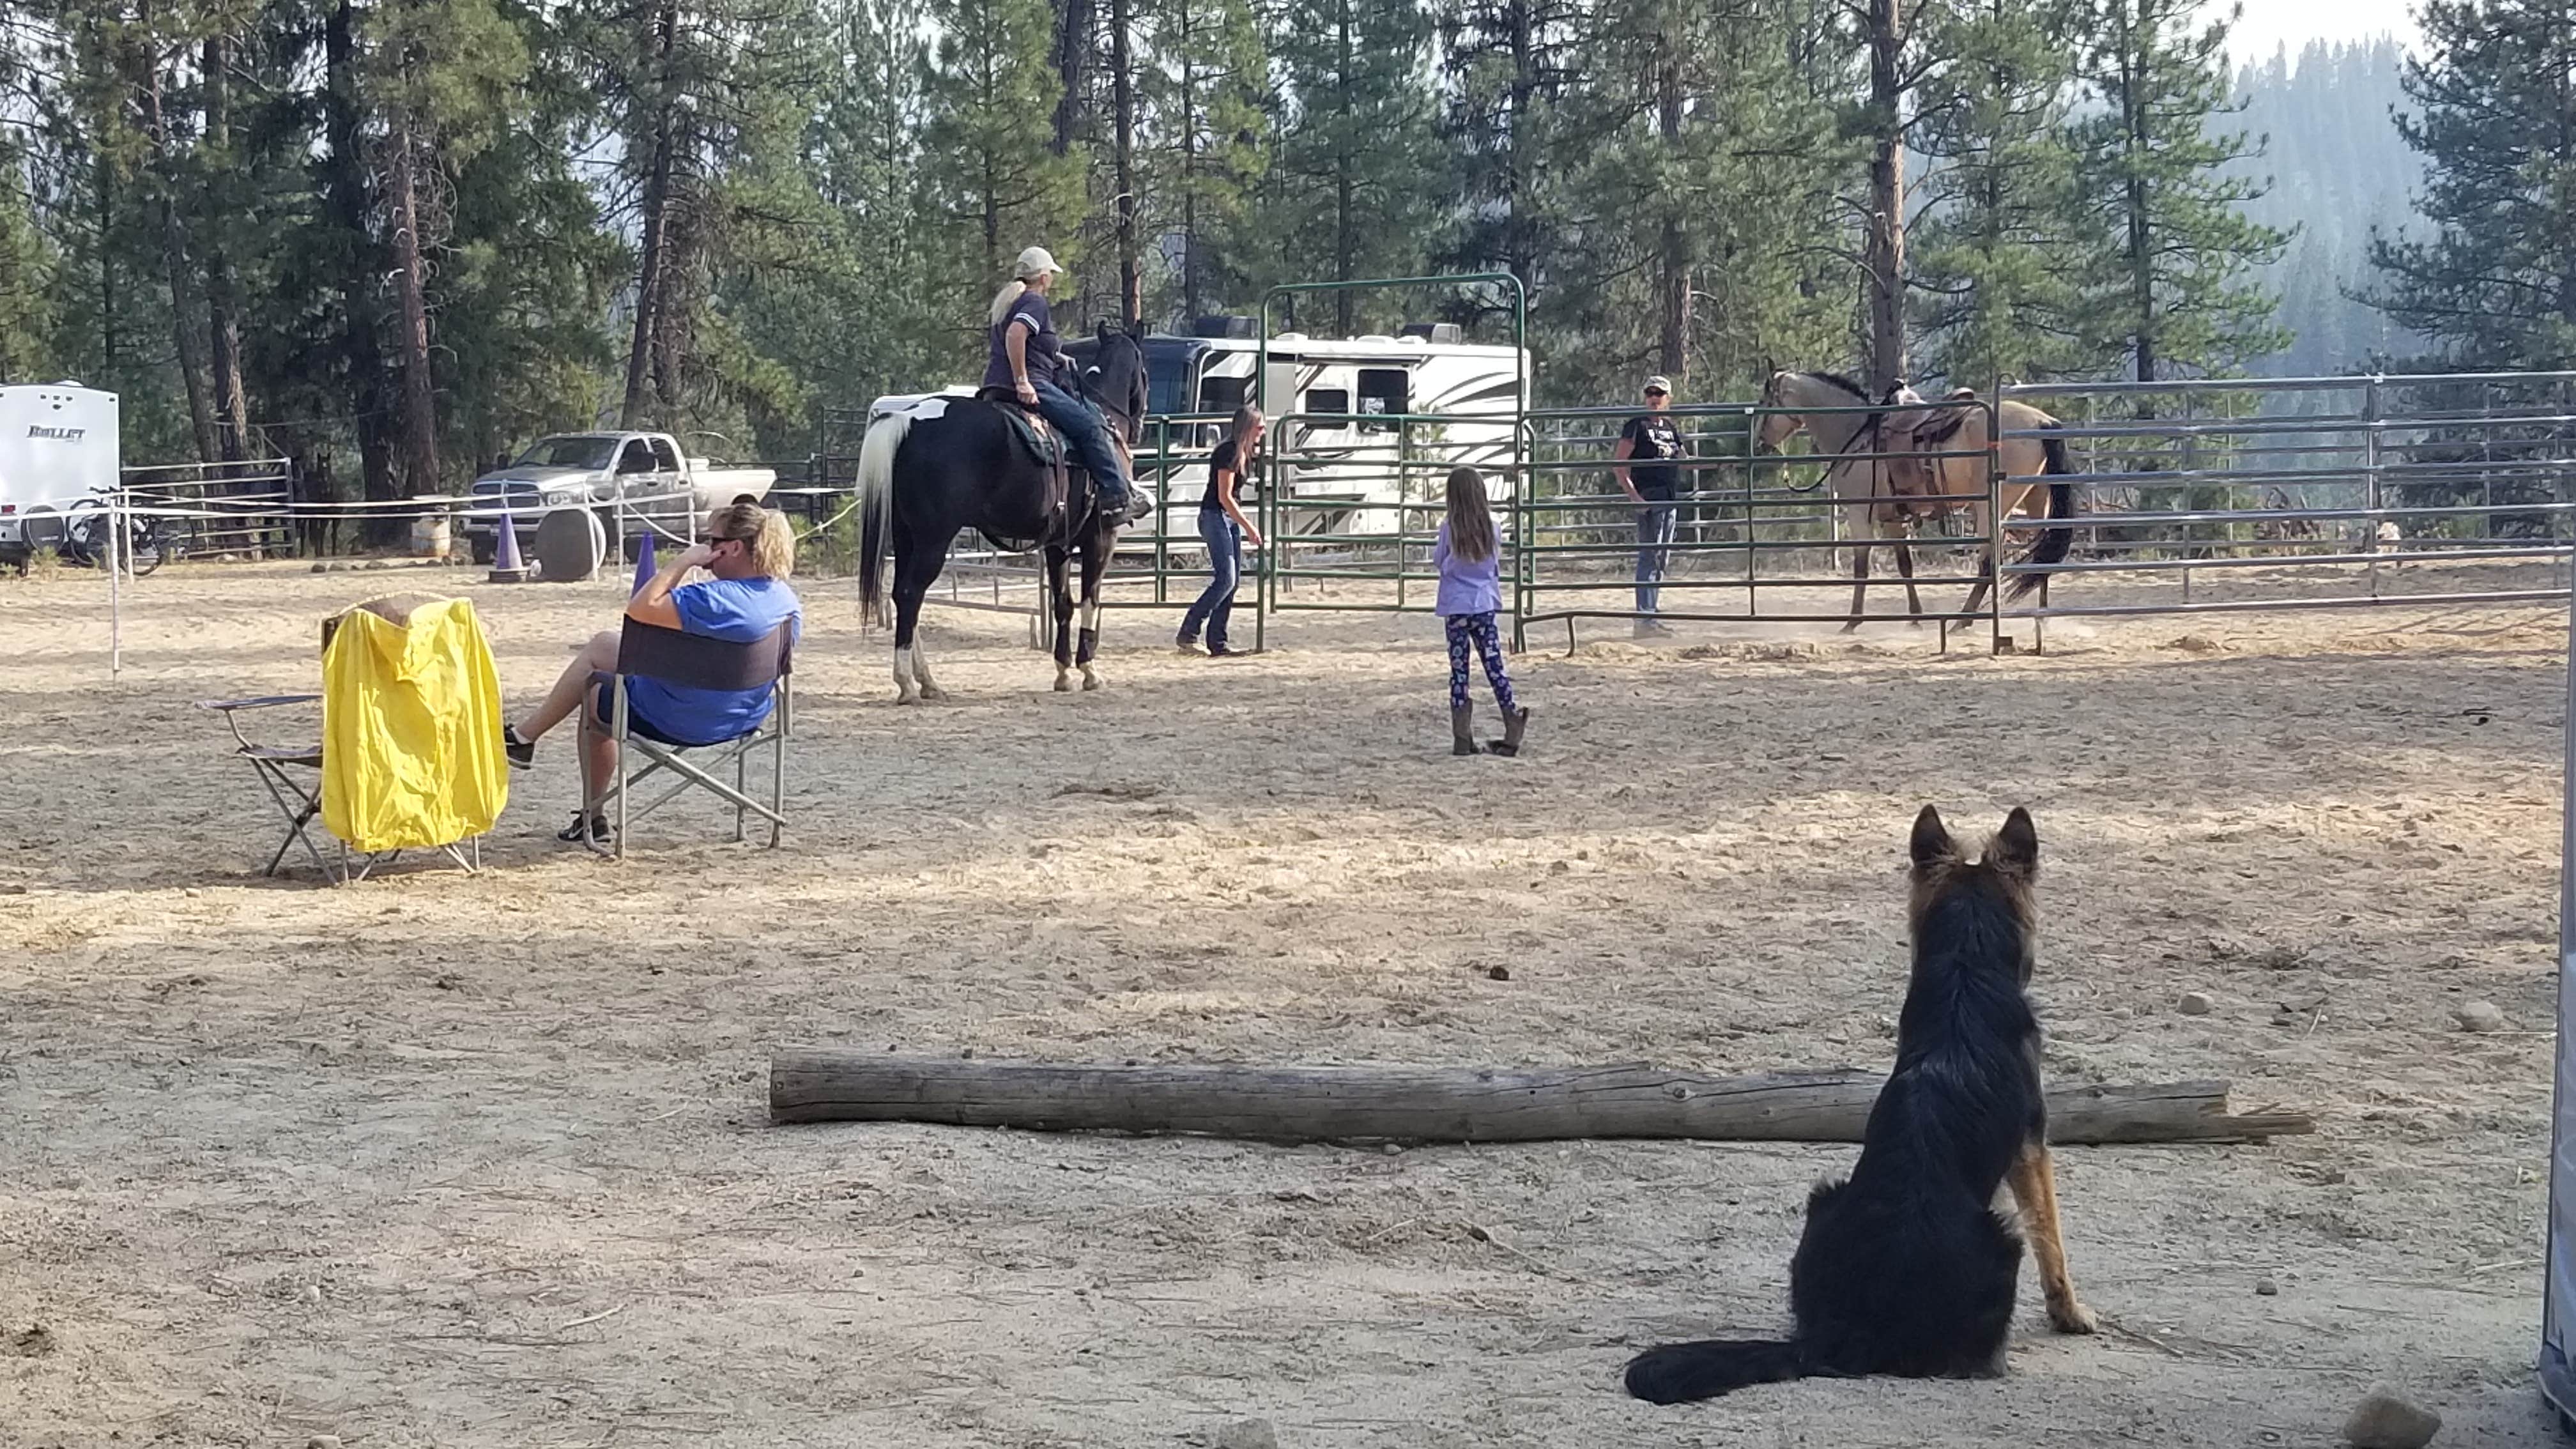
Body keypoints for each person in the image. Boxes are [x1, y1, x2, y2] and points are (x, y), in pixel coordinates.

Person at [502, 500, 802, 843]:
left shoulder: (709, 599)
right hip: (743, 718)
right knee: (604, 645)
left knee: (596, 694)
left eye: (712, 541)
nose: (706, 548)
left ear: (733, 548)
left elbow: (640, 608)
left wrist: (683, 562)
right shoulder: (786, 602)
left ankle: (589, 809)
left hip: (672, 717)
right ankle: (524, 739)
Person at [984, 245, 1142, 521]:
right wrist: (1023, 381)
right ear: (1043, 277)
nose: (1052, 280)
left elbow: (1026, 343)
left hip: (994, 384)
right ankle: (1116, 497)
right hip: (1034, 384)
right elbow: (1016, 335)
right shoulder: (1035, 302)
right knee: (1091, 428)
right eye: (1050, 275)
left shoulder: (1007, 304)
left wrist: (1055, 356)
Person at [1433, 465, 1529, 758]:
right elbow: (1495, 565)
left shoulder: (1449, 528)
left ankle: (1462, 736)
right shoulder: (1494, 527)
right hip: (1484, 603)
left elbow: (1439, 561)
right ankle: (1512, 722)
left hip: (1456, 604)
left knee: (1459, 670)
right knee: (1494, 666)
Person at [1177, 404, 1266, 657]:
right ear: (1248, 427)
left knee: (1232, 581)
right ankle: (1189, 631)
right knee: (1226, 578)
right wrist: (1249, 526)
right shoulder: (1228, 452)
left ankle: (1218, 641)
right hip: (1215, 515)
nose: (1263, 431)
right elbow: (1224, 497)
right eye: (1259, 427)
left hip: (1226, 517)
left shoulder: (1244, 452)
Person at [1614, 375, 1685, 637]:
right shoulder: (1636, 425)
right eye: (1650, 393)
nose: (1654, 397)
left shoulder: (1670, 427)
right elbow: (1620, 464)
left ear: (1668, 399)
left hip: (1668, 497)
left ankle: (1649, 616)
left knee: (1660, 558)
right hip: (1650, 496)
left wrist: (1720, 463)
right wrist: (1634, 496)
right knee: (1650, 557)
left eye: (1659, 393)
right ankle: (1645, 619)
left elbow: (1684, 459)